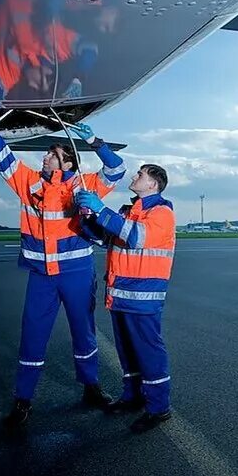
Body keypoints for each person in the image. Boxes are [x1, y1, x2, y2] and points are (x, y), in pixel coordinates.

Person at [0, 122, 125, 426]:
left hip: (76, 272)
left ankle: (91, 386)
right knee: (32, 335)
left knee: (83, 332)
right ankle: (23, 399)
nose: (45, 158)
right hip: (41, 275)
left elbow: (116, 169)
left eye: (53, 154)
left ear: (69, 161)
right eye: (47, 154)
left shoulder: (84, 185)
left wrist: (96, 142)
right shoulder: (28, 182)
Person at [75, 164, 176, 433]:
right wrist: (87, 217)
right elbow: (101, 238)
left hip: (143, 297)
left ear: (153, 184)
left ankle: (158, 408)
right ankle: (132, 397)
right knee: (128, 353)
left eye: (140, 175)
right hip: (120, 295)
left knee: (149, 353)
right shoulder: (127, 211)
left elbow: (137, 237)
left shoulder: (161, 212)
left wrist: (100, 208)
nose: (134, 176)